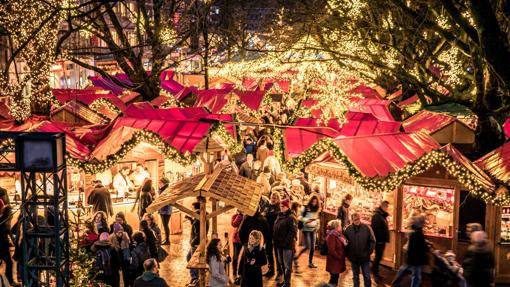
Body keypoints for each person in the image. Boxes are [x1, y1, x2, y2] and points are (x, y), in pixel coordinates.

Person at [392, 215, 429, 287]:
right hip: (416, 257)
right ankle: (396, 283)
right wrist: (426, 247)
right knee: (416, 276)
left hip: (412, 256)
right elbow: (418, 245)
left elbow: (416, 244)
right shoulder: (417, 233)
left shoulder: (415, 231)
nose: (425, 223)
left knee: (405, 269)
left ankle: (395, 283)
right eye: (424, 222)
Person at [344, 212, 376, 287]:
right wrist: (348, 255)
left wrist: (368, 252)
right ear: (352, 220)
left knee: (367, 276)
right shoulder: (348, 230)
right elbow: (345, 243)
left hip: (365, 257)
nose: (357, 221)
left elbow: (372, 241)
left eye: (358, 219)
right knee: (355, 276)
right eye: (355, 220)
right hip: (354, 258)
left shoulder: (367, 228)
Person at [273, 198, 297, 287]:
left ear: (287, 207)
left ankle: (287, 283)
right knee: (281, 262)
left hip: (287, 246)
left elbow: (293, 232)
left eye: (283, 206)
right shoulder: (280, 215)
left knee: (287, 265)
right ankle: (284, 281)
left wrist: (285, 242)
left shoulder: (291, 217)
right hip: (279, 245)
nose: (281, 208)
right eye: (280, 206)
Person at [186, 201, 209, 286]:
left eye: (192, 208)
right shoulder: (202, 216)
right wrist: (190, 219)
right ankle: (196, 277)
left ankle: (195, 279)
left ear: (196, 208)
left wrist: (192, 243)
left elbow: (198, 234)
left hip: (196, 244)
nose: (191, 209)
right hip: (199, 242)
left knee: (192, 263)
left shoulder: (198, 219)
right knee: (188, 257)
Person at [297, 195, 321, 268]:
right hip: (306, 229)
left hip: (313, 229)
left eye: (316, 202)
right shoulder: (305, 207)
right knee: (307, 246)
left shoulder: (317, 209)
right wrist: (307, 220)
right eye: (313, 201)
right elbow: (299, 217)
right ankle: (296, 257)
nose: (314, 203)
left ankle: (310, 263)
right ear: (311, 201)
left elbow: (317, 219)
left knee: (313, 247)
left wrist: (317, 225)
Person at [263, 191, 281, 277]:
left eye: (274, 198)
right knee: (268, 252)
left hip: (276, 234)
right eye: (272, 198)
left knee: (277, 253)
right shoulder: (268, 207)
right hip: (268, 234)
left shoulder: (279, 208)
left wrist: (267, 214)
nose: (272, 199)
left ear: (278, 199)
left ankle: (279, 271)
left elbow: (274, 215)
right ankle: (271, 270)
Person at [370, 200, 390, 279]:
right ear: (383, 206)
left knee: (379, 256)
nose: (387, 208)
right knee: (378, 256)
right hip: (379, 240)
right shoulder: (377, 216)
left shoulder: (381, 215)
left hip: (381, 240)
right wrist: (379, 240)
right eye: (387, 207)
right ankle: (375, 272)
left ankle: (374, 270)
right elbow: (376, 229)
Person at [326, 219, 347, 286]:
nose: (341, 227)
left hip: (337, 261)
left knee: (335, 278)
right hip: (334, 261)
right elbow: (331, 250)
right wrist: (339, 256)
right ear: (336, 227)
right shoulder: (332, 236)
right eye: (340, 226)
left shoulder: (338, 235)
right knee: (333, 279)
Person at [0, 204, 17, 286]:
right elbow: (7, 231)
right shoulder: (5, 221)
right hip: (2, 245)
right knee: (9, 263)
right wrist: (12, 240)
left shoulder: (2, 219)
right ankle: (10, 281)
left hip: (3, 244)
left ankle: (9, 281)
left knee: (8, 262)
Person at [157, 177, 172, 245]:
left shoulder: (165, 190)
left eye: (160, 183)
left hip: (165, 210)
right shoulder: (163, 189)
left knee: (165, 225)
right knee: (165, 225)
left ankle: (167, 240)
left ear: (164, 183)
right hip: (164, 210)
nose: (158, 184)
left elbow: (163, 200)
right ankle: (166, 239)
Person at [231, 210, 243, 282]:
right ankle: (234, 271)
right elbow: (234, 224)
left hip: (244, 239)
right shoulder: (235, 216)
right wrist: (239, 216)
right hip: (236, 240)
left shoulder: (247, 215)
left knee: (244, 257)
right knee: (235, 256)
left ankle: (241, 272)